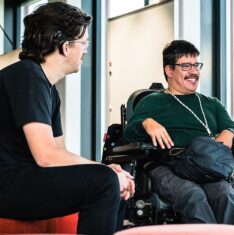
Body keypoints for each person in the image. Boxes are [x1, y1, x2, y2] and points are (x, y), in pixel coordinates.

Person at [0, 3, 134, 235]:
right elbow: (47, 156)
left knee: (111, 180)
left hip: (21, 180)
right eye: (84, 43)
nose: (86, 50)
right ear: (65, 47)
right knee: (104, 181)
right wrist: (105, 172)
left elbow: (59, 152)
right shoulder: (27, 76)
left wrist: (110, 170)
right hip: (6, 183)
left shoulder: (47, 88)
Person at [123, 40, 234, 226]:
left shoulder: (211, 103)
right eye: (186, 66)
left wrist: (230, 133)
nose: (194, 71)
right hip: (167, 165)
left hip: (204, 166)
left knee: (226, 195)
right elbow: (129, 135)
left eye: (196, 65)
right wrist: (146, 123)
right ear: (169, 70)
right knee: (193, 195)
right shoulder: (152, 102)